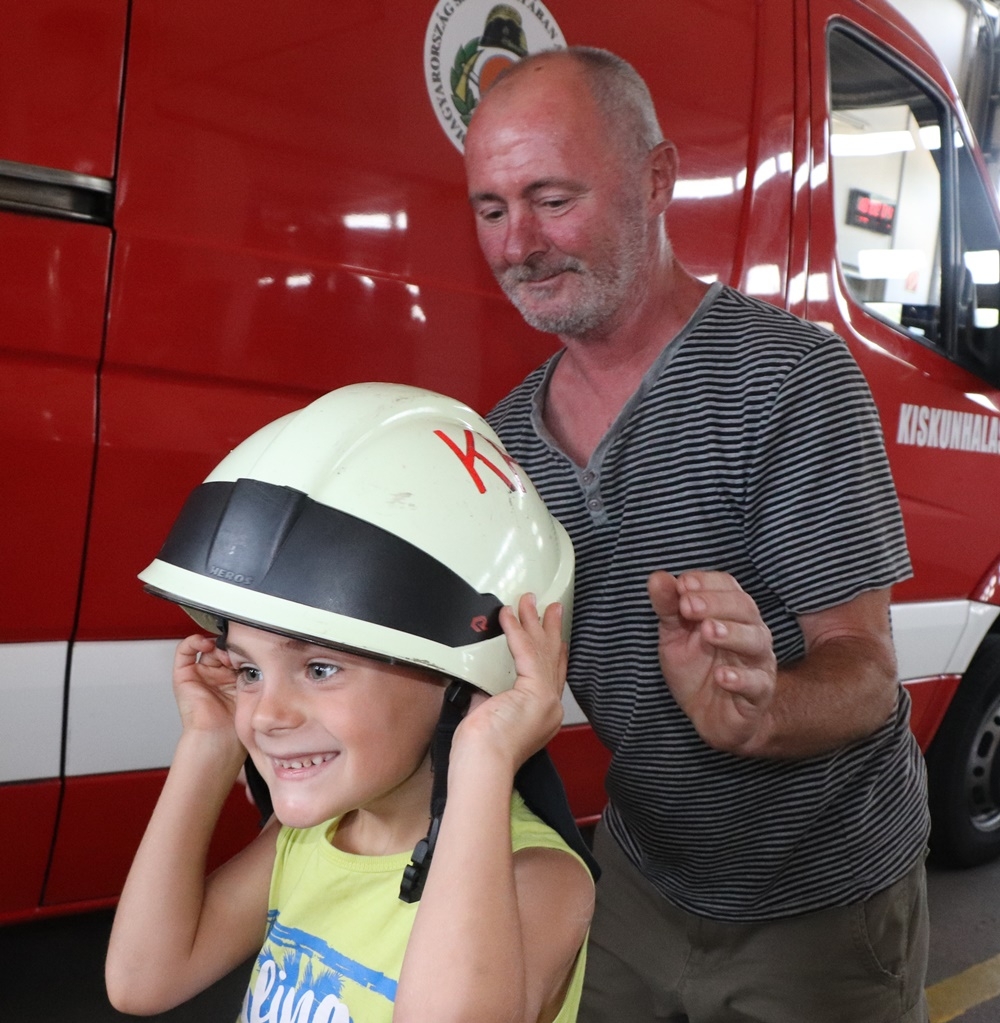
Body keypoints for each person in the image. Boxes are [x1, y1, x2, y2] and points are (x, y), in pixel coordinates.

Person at [464, 47, 930, 1023]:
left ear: (657, 180)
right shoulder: (506, 443)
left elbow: (865, 670)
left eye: (552, 200)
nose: (519, 245)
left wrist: (762, 710)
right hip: (639, 877)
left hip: (822, 902)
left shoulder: (789, 381)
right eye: (492, 210)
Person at [105, 383, 595, 1023]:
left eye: (320, 668)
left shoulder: (537, 878)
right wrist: (209, 744)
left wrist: (484, 757)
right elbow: (143, 980)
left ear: (466, 677)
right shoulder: (313, 837)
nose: (267, 714)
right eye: (249, 670)